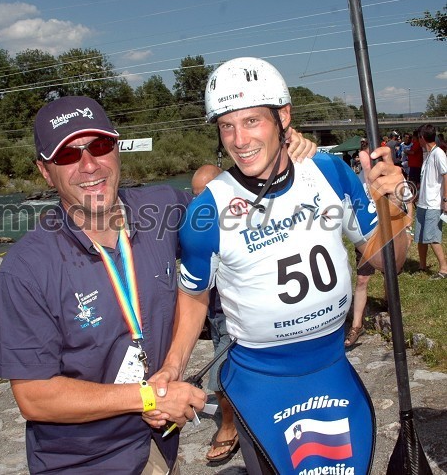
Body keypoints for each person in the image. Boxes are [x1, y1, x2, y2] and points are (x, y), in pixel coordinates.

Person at [152, 58, 410, 474]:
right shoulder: (206, 211)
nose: (239, 139)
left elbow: (389, 264)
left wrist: (396, 202)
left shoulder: (328, 171)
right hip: (261, 382)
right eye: (227, 126)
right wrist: (173, 366)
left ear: (283, 117)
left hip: (332, 368)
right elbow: (195, 293)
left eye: (252, 121)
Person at [0, 95, 208, 474]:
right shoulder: (25, 269)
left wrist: (291, 154)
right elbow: (35, 398)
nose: (89, 165)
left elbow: (229, 199)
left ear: (117, 150)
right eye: (68, 155)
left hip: (158, 445)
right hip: (81, 461)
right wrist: (149, 397)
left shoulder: (166, 207)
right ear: (44, 171)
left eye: (100, 146)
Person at [191, 164, 239, 464]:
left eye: (203, 195)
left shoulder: (238, 219)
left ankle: (229, 426)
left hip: (236, 315)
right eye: (193, 196)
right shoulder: (196, 223)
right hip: (213, 313)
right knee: (228, 368)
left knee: (219, 376)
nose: (197, 203)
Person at [414, 123, 447, 279]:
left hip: (434, 203)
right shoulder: (428, 154)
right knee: (420, 237)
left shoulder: (438, 154)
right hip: (423, 202)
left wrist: (445, 199)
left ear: (422, 138)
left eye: (417, 138)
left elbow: (446, 175)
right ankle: (422, 265)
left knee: (432, 237)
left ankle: (444, 269)